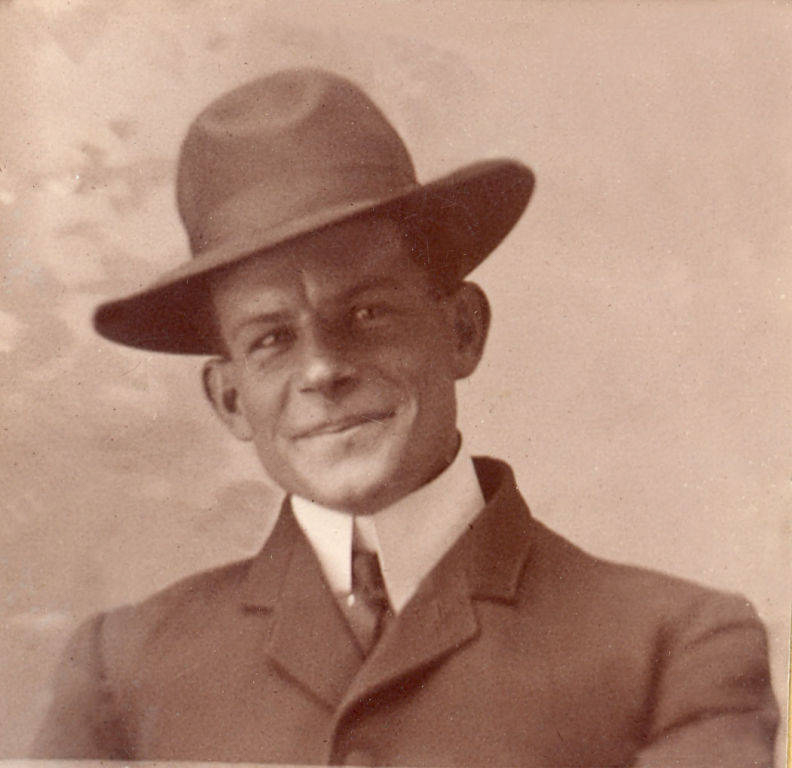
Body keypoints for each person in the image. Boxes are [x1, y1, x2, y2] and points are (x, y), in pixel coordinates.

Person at [32, 68, 778, 767]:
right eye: (272, 340)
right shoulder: (124, 669)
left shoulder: (675, 649)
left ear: (462, 331)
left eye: (366, 313)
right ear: (230, 399)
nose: (323, 371)